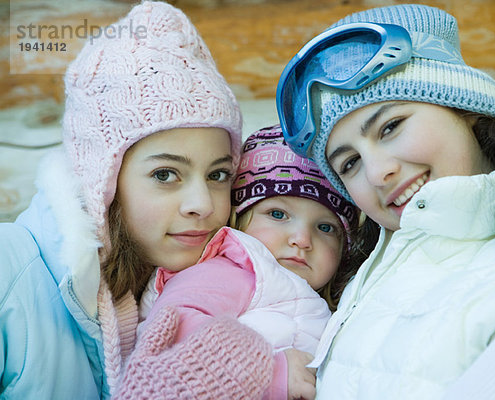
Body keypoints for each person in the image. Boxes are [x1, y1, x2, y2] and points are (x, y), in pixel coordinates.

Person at [276, 4, 495, 399]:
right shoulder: (369, 278)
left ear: (465, 108)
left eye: (391, 126)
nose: (377, 173)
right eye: (350, 162)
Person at [1, 2, 287, 399]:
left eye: (217, 174)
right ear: (103, 178)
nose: (202, 204)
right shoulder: (8, 273)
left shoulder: (218, 293)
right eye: (165, 175)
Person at [128, 125, 359, 399]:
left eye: (325, 228)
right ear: (240, 217)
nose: (302, 239)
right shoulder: (227, 272)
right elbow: (175, 330)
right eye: (277, 214)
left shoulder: (333, 307)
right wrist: (273, 373)